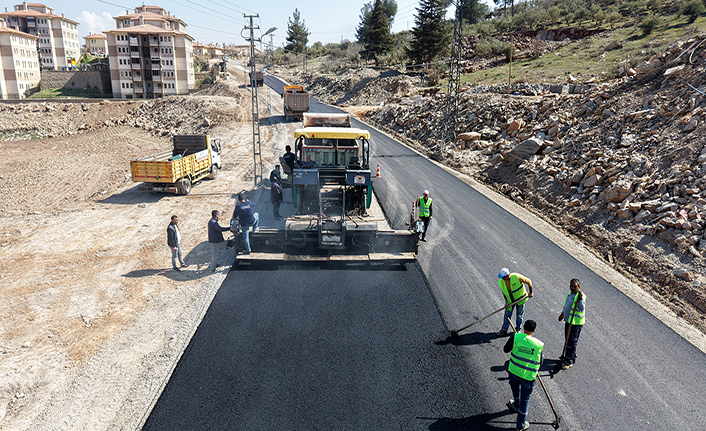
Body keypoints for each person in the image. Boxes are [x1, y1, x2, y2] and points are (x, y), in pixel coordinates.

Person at [504, 319, 544, 431]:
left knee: (515, 390)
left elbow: (505, 350)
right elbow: (541, 362)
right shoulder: (538, 344)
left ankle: (516, 403)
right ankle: (520, 425)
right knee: (525, 400)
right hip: (528, 376)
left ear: (523, 327)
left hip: (514, 372)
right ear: (534, 331)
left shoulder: (516, 337)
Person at [497, 268, 534, 337]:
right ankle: (504, 330)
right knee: (507, 315)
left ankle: (517, 329)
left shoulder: (517, 277)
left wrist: (531, 292)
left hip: (520, 299)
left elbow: (529, 281)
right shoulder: (501, 281)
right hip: (510, 300)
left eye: (503, 277)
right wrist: (507, 302)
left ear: (507, 276)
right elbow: (504, 292)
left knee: (519, 315)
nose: (502, 279)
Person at [558, 278, 586, 369]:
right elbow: (567, 305)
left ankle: (568, 361)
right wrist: (562, 314)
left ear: (579, 287)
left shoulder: (581, 296)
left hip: (575, 323)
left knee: (571, 342)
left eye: (574, 286)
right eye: (571, 286)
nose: (572, 288)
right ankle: (570, 356)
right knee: (568, 340)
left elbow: (581, 308)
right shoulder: (570, 294)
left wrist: (580, 299)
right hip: (568, 321)